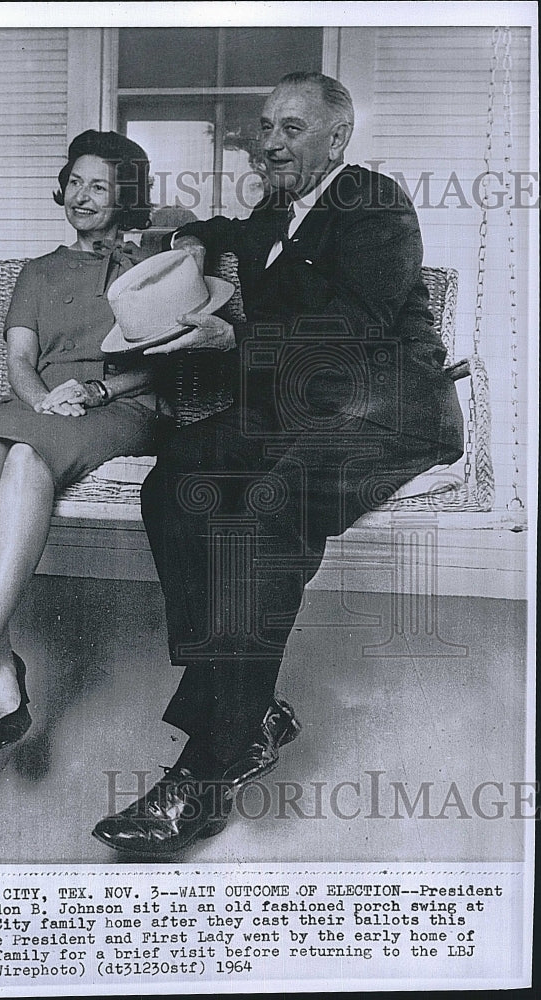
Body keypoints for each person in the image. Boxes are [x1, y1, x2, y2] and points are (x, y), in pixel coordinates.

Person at [92, 72, 465, 855]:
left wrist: (235, 340)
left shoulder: (374, 203)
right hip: (296, 405)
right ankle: (247, 704)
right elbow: (238, 232)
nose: (270, 142)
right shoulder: (276, 210)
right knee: (178, 481)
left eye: (291, 129)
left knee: (268, 511)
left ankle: (210, 762)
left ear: (338, 138)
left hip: (389, 408)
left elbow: (355, 331)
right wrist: (193, 235)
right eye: (264, 128)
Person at [0, 130, 159, 761]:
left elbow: (161, 365)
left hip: (117, 406)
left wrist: (94, 392)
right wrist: (40, 400)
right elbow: (21, 360)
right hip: (46, 406)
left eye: (99, 186)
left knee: (26, 456)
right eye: (75, 181)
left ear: (124, 197)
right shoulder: (38, 271)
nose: (81, 196)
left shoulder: (144, 268)